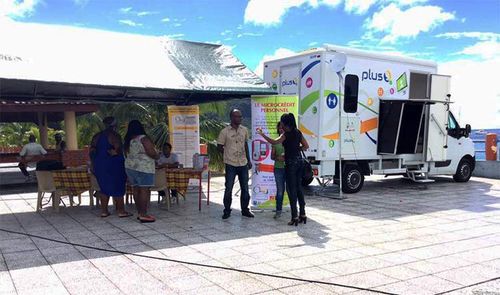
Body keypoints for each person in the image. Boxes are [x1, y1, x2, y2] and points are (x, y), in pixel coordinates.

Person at [257, 113, 309, 226]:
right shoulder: (298, 132)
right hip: (299, 162)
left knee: (291, 191)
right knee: (299, 188)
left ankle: (294, 216)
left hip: (290, 164)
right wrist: (295, 149)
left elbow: (274, 142)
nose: (281, 125)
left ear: (285, 124)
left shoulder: (286, 134)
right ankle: (303, 214)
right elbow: (306, 146)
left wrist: (262, 134)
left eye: (282, 122)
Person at [89, 117, 130, 218]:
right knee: (119, 186)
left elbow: (91, 151)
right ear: (114, 125)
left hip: (100, 166)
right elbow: (119, 150)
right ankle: (121, 211)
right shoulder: (115, 135)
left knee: (103, 188)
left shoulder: (96, 136)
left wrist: (94, 163)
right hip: (114, 165)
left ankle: (104, 211)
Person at [217, 109, 253, 219]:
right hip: (230, 163)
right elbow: (219, 146)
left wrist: (249, 159)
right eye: (238, 116)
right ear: (232, 118)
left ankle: (245, 210)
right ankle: (227, 210)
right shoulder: (224, 132)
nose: (240, 118)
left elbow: (246, 145)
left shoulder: (244, 130)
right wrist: (227, 153)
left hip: (243, 163)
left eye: (241, 116)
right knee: (229, 188)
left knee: (245, 188)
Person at [124, 120, 159, 223]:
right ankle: (143, 214)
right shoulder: (143, 138)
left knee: (136, 189)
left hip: (130, 168)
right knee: (144, 190)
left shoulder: (128, 140)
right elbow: (151, 152)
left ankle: (140, 212)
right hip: (144, 168)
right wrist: (157, 155)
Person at [271, 122, 286, 219]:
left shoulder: (290, 140)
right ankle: (278, 210)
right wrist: (278, 158)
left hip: (290, 168)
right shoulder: (275, 142)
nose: (281, 129)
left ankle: (295, 211)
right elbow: (272, 156)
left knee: (292, 190)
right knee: (280, 190)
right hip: (278, 169)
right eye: (279, 128)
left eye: (282, 127)